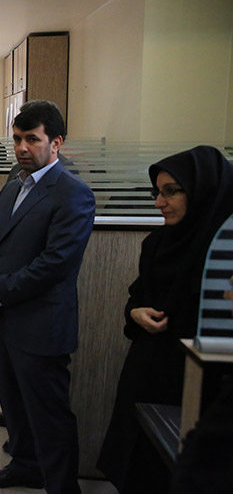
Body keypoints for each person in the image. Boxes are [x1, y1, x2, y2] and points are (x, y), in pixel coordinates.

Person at [0, 100, 95, 493]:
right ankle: (25, 466)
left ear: (56, 142)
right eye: (18, 139)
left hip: (40, 324)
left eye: (33, 139)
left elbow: (55, 264)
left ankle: (61, 486)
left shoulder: (72, 194)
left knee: (48, 414)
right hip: (2, 323)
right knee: (14, 405)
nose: (22, 148)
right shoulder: (11, 188)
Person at [97, 146, 233, 493]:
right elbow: (139, 294)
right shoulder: (158, 242)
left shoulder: (223, 250)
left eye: (171, 191)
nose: (159, 202)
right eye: (157, 192)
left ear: (202, 190)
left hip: (200, 380)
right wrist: (134, 311)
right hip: (149, 366)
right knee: (137, 458)